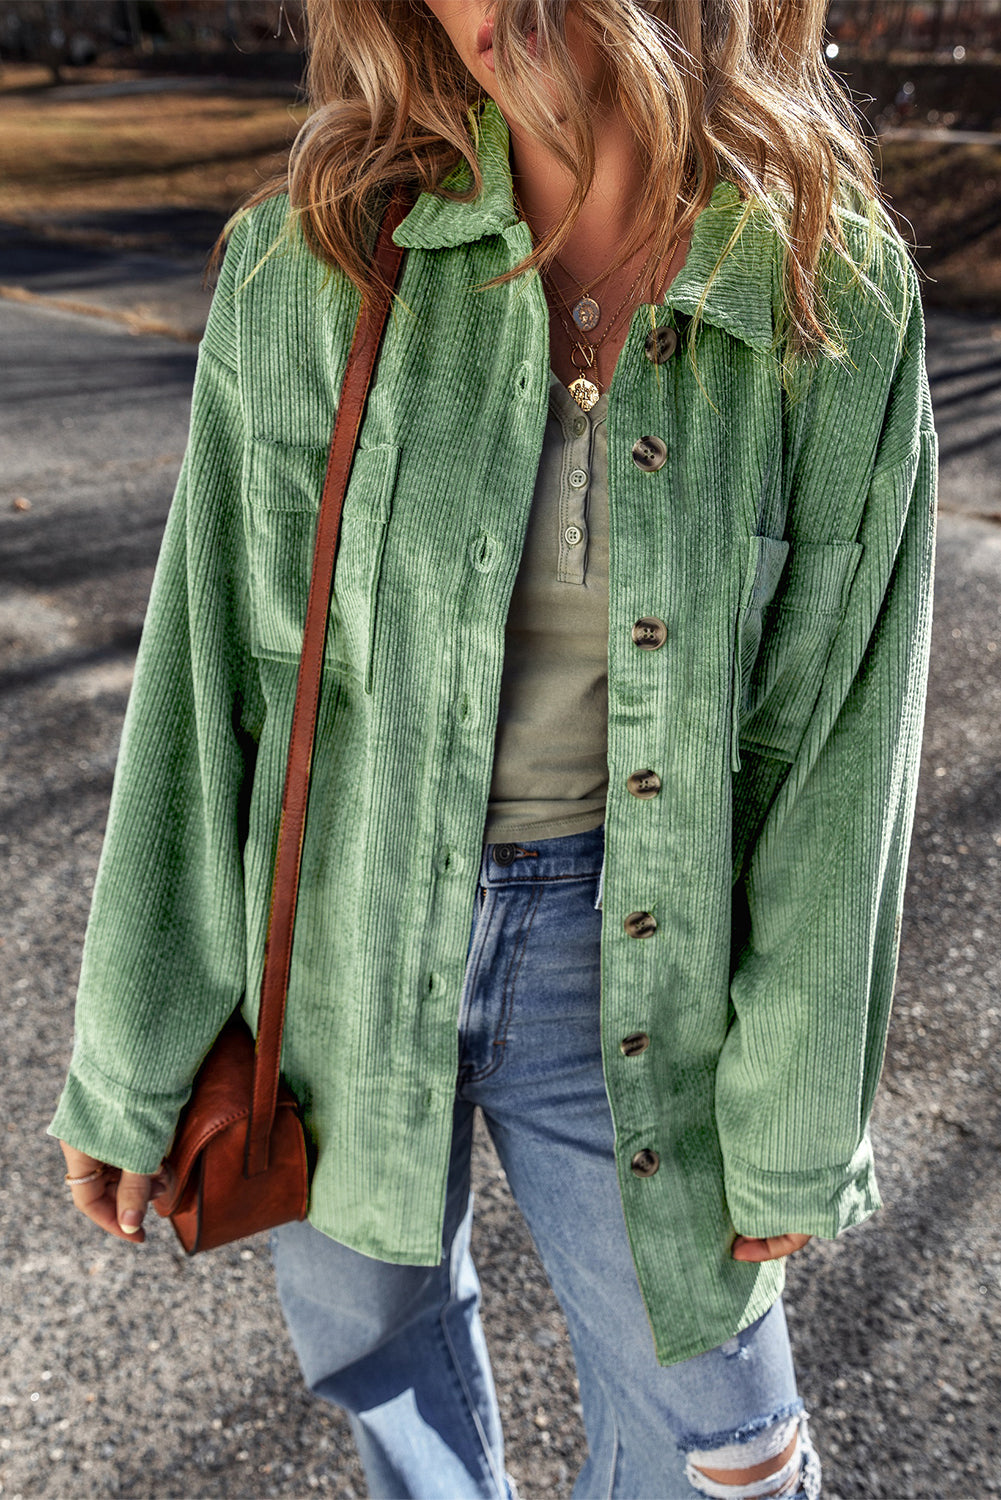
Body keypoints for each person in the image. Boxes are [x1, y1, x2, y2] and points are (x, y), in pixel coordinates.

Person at [51, 2, 937, 1496]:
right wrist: (131, 1053)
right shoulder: (314, 255)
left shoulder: (817, 282)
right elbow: (210, 682)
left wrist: (796, 1106)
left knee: (729, 1455)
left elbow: (843, 746)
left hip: (633, 962)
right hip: (336, 936)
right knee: (372, 1343)